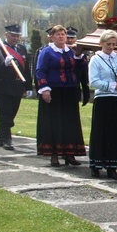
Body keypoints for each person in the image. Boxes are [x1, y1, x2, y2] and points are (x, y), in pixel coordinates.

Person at [35, 25, 86, 166]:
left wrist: (79, 56)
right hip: (54, 91)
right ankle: (54, 154)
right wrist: (45, 89)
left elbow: (80, 68)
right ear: (51, 37)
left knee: (69, 123)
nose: (62, 36)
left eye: (63, 34)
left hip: (69, 91)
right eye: (58, 34)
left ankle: (69, 154)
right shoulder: (46, 52)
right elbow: (40, 71)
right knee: (54, 123)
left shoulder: (70, 51)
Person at [87, 30, 117, 180]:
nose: (111, 47)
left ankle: (112, 166)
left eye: (114, 44)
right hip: (104, 99)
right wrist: (113, 86)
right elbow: (94, 81)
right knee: (102, 133)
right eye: (108, 44)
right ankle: (96, 164)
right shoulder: (96, 59)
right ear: (101, 44)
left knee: (116, 134)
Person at [0, 24, 33, 150]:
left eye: (17, 36)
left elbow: (26, 71)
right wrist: (4, 63)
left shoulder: (22, 49)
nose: (15, 38)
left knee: (12, 113)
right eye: (13, 35)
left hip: (17, 86)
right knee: (5, 113)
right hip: (2, 86)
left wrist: (28, 87)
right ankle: (7, 139)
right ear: (6, 35)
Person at [66, 27, 90, 107]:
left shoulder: (82, 54)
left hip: (75, 87)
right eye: (67, 38)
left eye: (72, 38)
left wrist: (86, 92)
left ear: (76, 39)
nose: (69, 40)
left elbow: (84, 74)